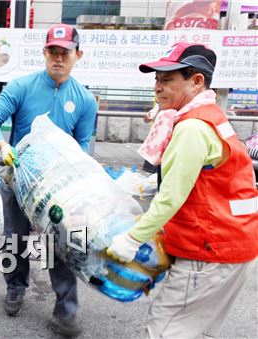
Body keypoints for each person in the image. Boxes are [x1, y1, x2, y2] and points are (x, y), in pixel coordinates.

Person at [107, 42, 257, 338]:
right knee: (193, 330)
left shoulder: (192, 127)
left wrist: (131, 239)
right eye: (156, 79)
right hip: (231, 243)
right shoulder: (211, 117)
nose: (157, 87)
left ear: (197, 81)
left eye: (167, 79)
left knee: (165, 329)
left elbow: (171, 198)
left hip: (209, 250)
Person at [0, 23, 97, 337]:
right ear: (44, 52)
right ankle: (15, 287)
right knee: (14, 239)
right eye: (52, 51)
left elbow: (86, 142)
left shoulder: (85, 101)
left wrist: (80, 170)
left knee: (63, 244)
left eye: (65, 52)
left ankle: (65, 311)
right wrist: (2, 145)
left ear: (78, 55)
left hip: (58, 188)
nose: (58, 58)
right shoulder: (22, 86)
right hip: (19, 178)